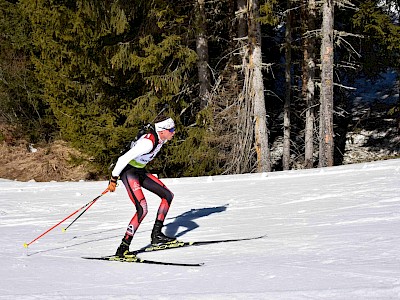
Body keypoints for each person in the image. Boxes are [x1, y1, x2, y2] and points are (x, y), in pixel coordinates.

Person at [107, 115, 177, 257]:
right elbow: (123, 158)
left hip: (139, 171)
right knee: (142, 209)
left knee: (167, 195)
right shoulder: (148, 143)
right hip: (129, 172)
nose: (174, 132)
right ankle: (123, 247)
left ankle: (156, 235)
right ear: (162, 130)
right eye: (171, 129)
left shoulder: (162, 138)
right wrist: (113, 178)